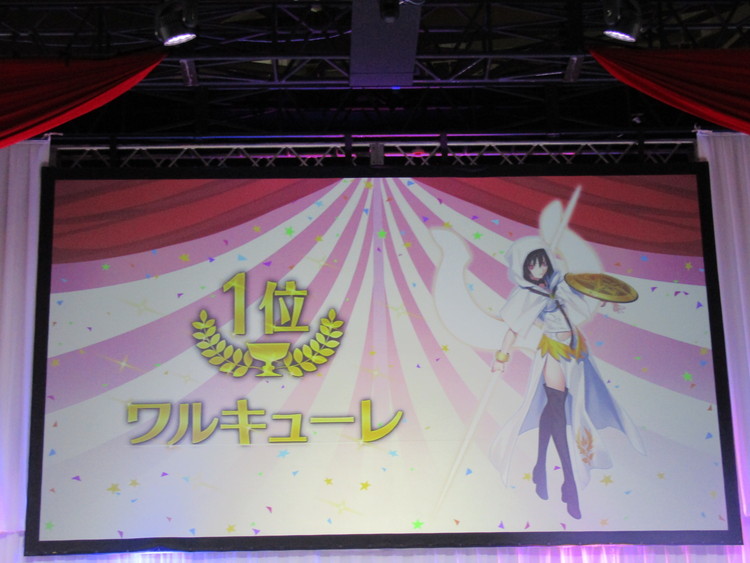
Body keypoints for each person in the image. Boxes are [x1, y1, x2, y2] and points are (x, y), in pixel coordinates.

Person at [490, 235, 644, 520]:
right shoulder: (526, 294)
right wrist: (501, 358)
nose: (539, 269)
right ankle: (569, 483)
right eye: (532, 265)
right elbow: (513, 329)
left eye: (542, 263)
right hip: (553, 350)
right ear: (523, 267)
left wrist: (611, 300)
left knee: (555, 409)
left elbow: (590, 293)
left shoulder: (562, 283)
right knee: (559, 411)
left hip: (577, 350)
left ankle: (539, 468)